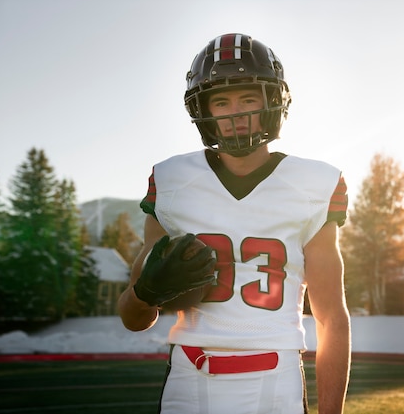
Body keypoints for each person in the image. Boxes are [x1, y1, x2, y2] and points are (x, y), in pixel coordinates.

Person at [118, 33, 351, 414]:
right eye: (221, 101)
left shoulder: (313, 183)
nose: (235, 113)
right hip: (187, 374)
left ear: (272, 102)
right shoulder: (173, 180)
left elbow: (331, 319)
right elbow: (133, 318)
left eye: (248, 98)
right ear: (202, 109)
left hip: (274, 376)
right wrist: (146, 292)